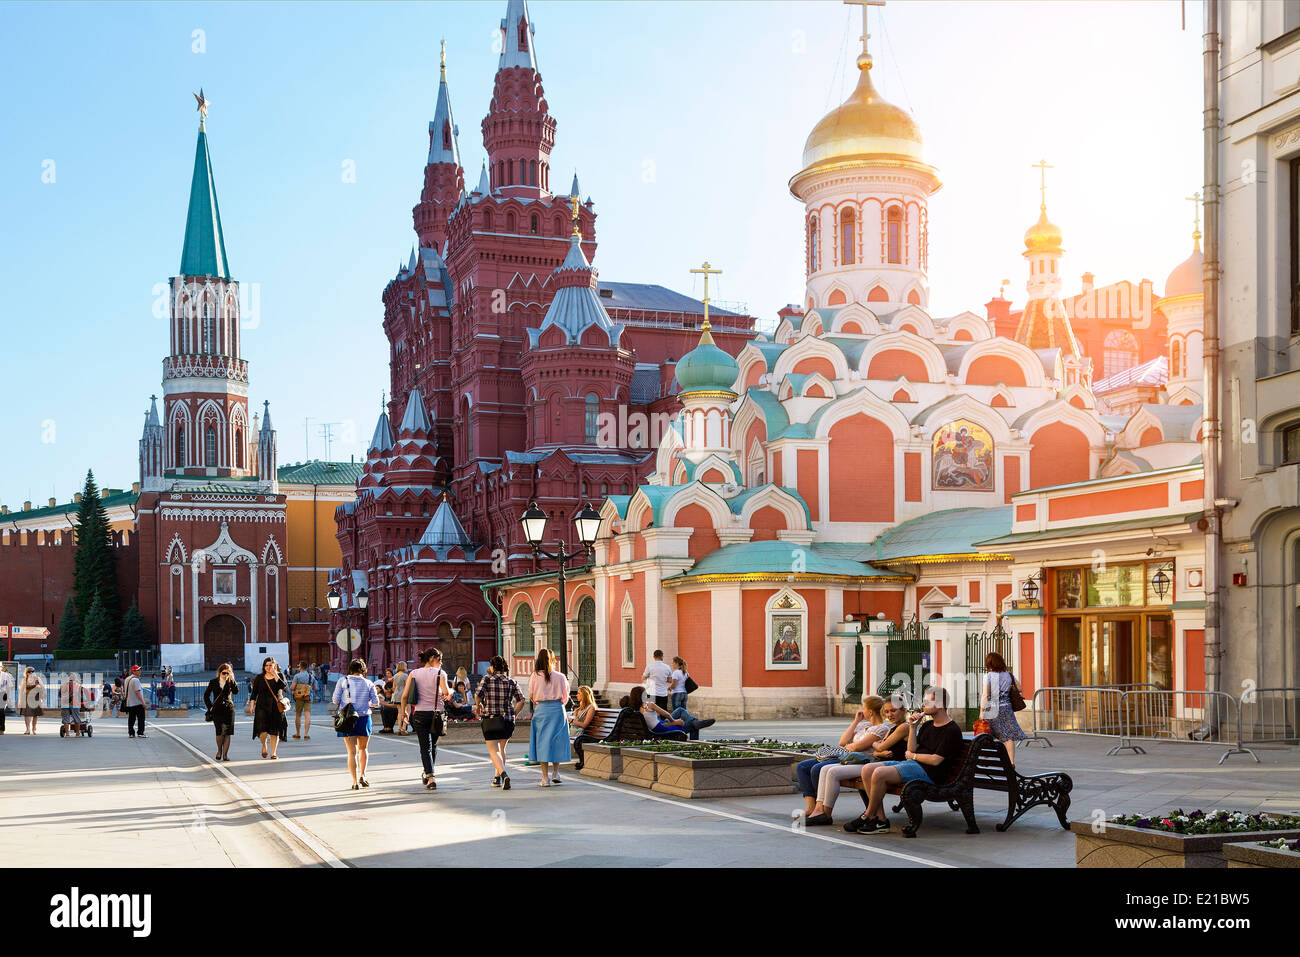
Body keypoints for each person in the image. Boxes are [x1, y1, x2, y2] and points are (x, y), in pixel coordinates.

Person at [852, 687, 964, 836]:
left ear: (939, 704)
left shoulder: (952, 730)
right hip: (915, 765)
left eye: (926, 701)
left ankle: (868, 815)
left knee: (879, 773)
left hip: (931, 773)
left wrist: (913, 756)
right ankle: (879, 819)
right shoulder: (927, 725)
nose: (922, 705)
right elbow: (911, 749)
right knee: (867, 769)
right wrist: (913, 727)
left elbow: (936, 760)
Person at [805, 697, 909, 827]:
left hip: (880, 765)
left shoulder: (903, 727)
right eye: (887, 711)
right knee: (825, 769)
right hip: (875, 762)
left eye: (893, 711)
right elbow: (877, 750)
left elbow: (880, 747)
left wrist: (877, 747)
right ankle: (819, 810)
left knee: (832, 772)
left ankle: (826, 814)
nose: (889, 715)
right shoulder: (892, 728)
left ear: (903, 710)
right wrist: (878, 749)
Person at [402, 648, 450, 790]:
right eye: (439, 659)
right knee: (432, 746)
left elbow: (405, 696)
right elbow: (446, 693)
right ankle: (430, 776)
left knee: (425, 747)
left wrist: (404, 713)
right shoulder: (441, 674)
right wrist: (451, 692)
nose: (441, 662)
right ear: (431, 659)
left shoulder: (414, 673)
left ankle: (428, 774)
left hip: (420, 714)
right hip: (436, 714)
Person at [474, 654, 524, 790]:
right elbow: (521, 700)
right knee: (502, 749)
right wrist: (514, 713)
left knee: (493, 750)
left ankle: (503, 775)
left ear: (492, 667)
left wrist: (479, 705)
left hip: (491, 720)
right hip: (507, 720)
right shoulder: (511, 681)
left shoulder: (487, 679)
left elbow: (478, 695)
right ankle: (496, 778)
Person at [333, 658, 380, 790]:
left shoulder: (343, 681)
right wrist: (366, 703)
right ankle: (363, 775)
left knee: (351, 752)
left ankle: (354, 782)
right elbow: (375, 702)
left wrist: (346, 702)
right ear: (363, 670)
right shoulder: (369, 683)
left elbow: (335, 700)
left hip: (348, 719)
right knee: (363, 749)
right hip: (364, 718)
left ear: (351, 668)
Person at [528, 648, 571, 787]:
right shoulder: (560, 676)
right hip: (557, 710)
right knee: (556, 741)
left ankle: (544, 777)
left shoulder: (534, 676)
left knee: (543, 743)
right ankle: (556, 772)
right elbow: (565, 697)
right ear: (552, 660)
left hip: (542, 711)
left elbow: (532, 696)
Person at [980, 651, 1027, 764]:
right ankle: (1011, 762)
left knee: (988, 732)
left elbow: (986, 695)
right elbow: (1019, 688)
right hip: (1007, 707)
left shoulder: (989, 676)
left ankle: (985, 759)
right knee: (1008, 736)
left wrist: (982, 711)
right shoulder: (1009, 675)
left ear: (989, 664)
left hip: (992, 708)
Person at [631, 685, 714, 740]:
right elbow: (666, 714)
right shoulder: (650, 704)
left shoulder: (636, 710)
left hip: (658, 727)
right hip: (661, 730)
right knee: (693, 726)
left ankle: (695, 721)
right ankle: (695, 726)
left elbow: (653, 723)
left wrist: (671, 723)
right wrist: (674, 722)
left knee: (680, 710)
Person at [250, 657, 288, 759]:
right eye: (266, 665)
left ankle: (273, 753)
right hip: (262, 706)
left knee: (274, 730)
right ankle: (264, 745)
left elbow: (283, 687)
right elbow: (254, 693)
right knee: (262, 731)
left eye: (270, 665)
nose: (268, 667)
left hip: (276, 706)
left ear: (274, 665)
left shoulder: (280, 675)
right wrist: (252, 705)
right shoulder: (259, 677)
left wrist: (275, 673)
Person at [204, 663, 239, 761]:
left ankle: (225, 755)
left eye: (228, 673)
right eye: (224, 673)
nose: (225, 675)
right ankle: (219, 750)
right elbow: (206, 695)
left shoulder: (230, 682)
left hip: (229, 709)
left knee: (227, 733)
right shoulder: (214, 682)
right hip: (217, 710)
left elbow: (236, 692)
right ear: (219, 672)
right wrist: (210, 707)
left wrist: (232, 680)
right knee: (219, 732)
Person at [569, 685, 599, 772]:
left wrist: (572, 721)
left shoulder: (591, 708)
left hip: (583, 733)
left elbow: (585, 725)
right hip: (575, 731)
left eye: (579, 693)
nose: (576, 695)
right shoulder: (579, 709)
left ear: (584, 695)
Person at [290, 661, 315, 740]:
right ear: (307, 667)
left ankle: (298, 733)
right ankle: (306, 734)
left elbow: (292, 687)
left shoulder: (297, 676)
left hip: (299, 697)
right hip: (308, 697)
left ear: (300, 667)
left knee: (298, 715)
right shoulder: (311, 676)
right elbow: (314, 688)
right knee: (307, 715)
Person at [122, 665, 146, 738]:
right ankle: (140, 733)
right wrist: (143, 702)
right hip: (137, 702)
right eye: (138, 670)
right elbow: (137, 691)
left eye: (140, 670)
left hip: (130, 702)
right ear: (133, 671)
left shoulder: (127, 679)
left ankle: (131, 733)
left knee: (131, 718)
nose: (140, 671)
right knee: (141, 718)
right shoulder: (136, 680)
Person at [392, 661, 411, 735]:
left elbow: (393, 687)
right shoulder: (405, 675)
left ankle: (399, 728)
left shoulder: (395, 676)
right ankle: (404, 728)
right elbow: (407, 686)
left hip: (396, 695)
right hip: (404, 695)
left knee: (399, 712)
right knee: (407, 711)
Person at [0, 666, 12, 734]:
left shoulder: (6, 675)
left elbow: (9, 687)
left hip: (2, 694)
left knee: (1, 712)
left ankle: (2, 729)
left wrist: (8, 698)